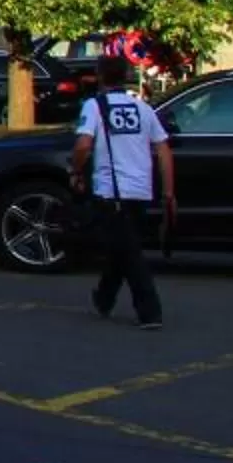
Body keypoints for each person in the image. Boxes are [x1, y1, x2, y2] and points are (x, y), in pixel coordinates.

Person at [68, 57, 172, 329]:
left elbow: (83, 145)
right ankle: (104, 297)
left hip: (111, 191)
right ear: (126, 76)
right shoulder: (143, 108)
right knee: (122, 246)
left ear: (100, 76)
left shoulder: (95, 106)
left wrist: (76, 171)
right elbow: (163, 150)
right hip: (140, 190)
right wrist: (169, 192)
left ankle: (150, 312)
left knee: (130, 252)